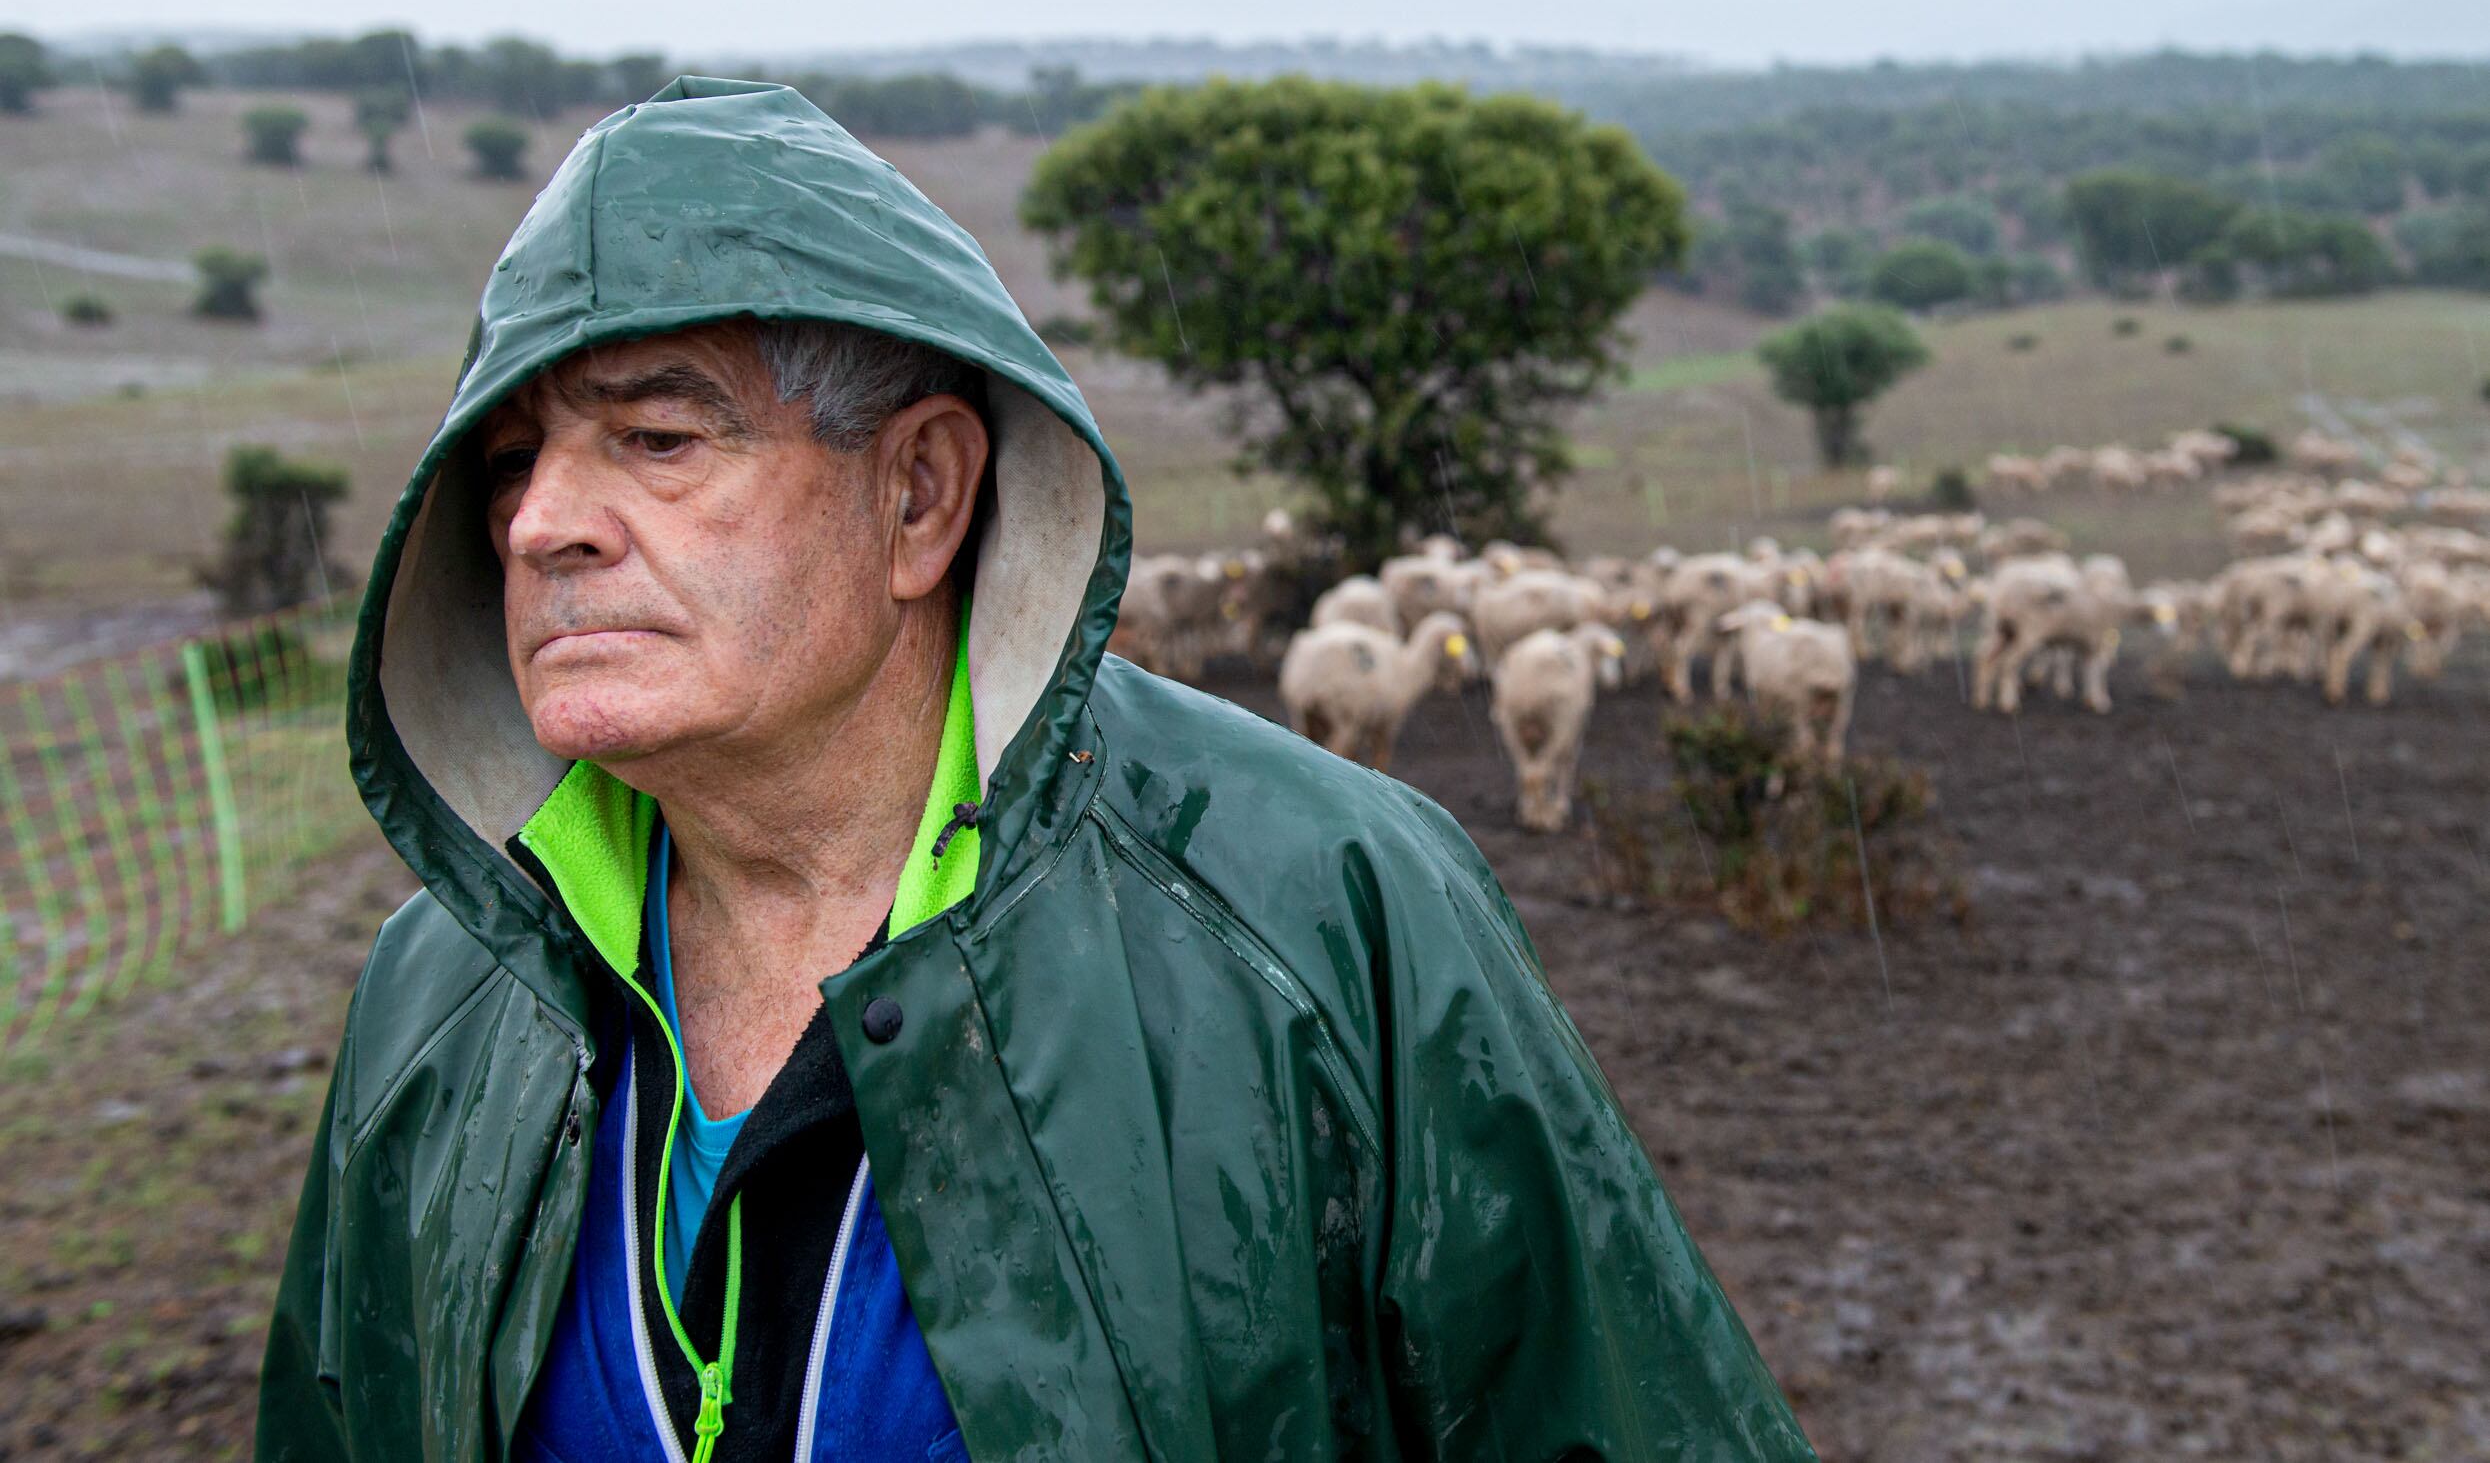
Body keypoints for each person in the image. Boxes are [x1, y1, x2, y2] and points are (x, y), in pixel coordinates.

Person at [256, 76, 1814, 1462]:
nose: (541, 525)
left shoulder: (1317, 916)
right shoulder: (445, 997)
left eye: (660, 439)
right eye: (514, 460)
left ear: (922, 496)